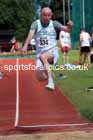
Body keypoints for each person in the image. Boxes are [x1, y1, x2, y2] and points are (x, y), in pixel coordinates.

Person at [22, 7, 73, 90]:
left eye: (49, 15)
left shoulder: (54, 23)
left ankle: (51, 82)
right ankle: (50, 73)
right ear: (41, 15)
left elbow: (67, 30)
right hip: (40, 54)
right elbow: (30, 34)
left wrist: (70, 26)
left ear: (51, 15)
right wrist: (25, 45)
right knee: (40, 77)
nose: (47, 17)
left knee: (44, 56)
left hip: (52, 52)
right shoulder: (35, 24)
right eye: (45, 15)